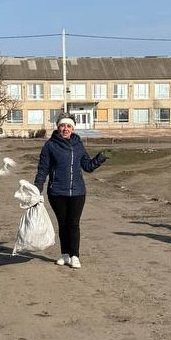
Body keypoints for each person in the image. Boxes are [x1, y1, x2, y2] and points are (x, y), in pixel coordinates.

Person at [34, 112, 108, 269]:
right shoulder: (50, 145)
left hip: (77, 192)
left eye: (68, 126)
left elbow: (87, 166)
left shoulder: (78, 144)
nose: (65, 129)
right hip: (56, 192)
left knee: (73, 224)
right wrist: (37, 188)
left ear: (73, 129)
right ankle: (65, 254)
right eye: (62, 126)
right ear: (58, 127)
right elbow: (43, 169)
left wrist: (101, 157)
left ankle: (75, 256)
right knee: (62, 224)